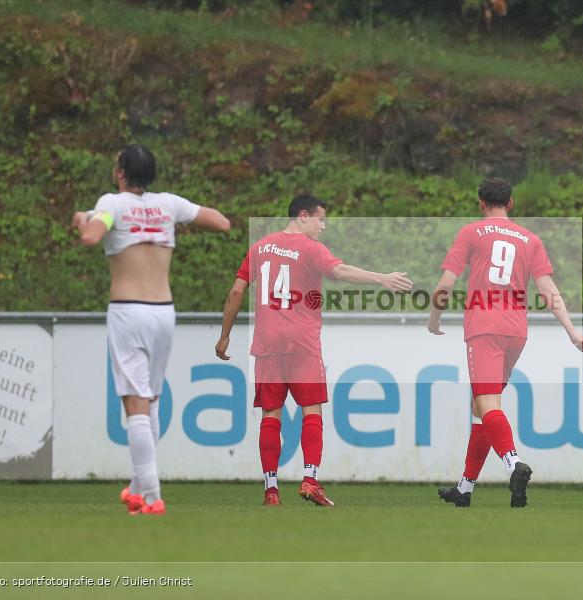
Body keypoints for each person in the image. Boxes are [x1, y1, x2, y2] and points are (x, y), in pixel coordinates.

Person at [215, 194, 412, 507]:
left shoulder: (260, 247)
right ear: (303, 215)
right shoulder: (310, 248)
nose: (323, 226)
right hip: (302, 344)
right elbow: (341, 271)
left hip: (267, 345)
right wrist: (382, 278)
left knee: (270, 415)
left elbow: (237, 290)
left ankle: (271, 490)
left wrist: (225, 335)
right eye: (320, 219)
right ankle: (310, 480)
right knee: (312, 410)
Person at [72, 144, 230, 515]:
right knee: (151, 401)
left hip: (128, 312)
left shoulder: (111, 204)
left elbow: (92, 236)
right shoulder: (169, 205)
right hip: (163, 313)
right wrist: (173, 222)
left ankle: (154, 496)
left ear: (121, 173)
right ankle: (137, 489)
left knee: (136, 404)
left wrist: (83, 219)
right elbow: (221, 222)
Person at [429, 177, 583, 508]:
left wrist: (434, 318)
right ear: (510, 203)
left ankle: (513, 464)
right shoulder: (530, 239)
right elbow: (548, 290)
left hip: (484, 327)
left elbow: (446, 282)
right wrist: (572, 330)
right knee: (480, 407)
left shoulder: (471, 232)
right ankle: (465, 487)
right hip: (516, 330)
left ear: (481, 203)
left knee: (488, 404)